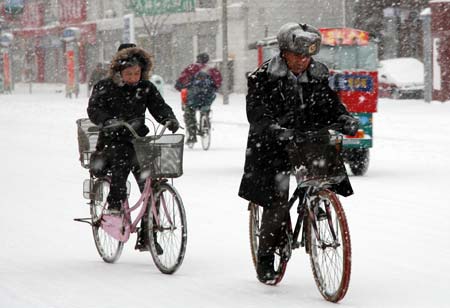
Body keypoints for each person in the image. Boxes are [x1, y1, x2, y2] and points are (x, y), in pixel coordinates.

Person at [238, 22, 359, 283]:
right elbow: (256, 112)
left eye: (308, 56)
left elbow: (330, 104)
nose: (303, 61)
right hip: (271, 145)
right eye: (298, 55)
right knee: (276, 202)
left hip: (307, 140)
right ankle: (266, 255)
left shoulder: (317, 75)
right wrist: (274, 128)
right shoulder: (262, 77)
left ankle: (318, 202)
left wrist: (344, 118)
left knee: (325, 177)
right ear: (284, 53)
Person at [87, 45, 180, 251]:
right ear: (118, 72)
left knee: (149, 184)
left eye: (137, 73)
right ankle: (113, 206)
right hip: (112, 141)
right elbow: (94, 109)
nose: (133, 77)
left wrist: (169, 119)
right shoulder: (105, 86)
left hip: (139, 140)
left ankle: (148, 236)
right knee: (121, 163)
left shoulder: (145, 88)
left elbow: (159, 107)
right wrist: (107, 121)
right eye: (128, 73)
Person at [174, 52, 222, 145]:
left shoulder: (192, 68)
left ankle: (192, 135)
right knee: (206, 108)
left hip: (194, 96)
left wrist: (179, 86)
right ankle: (205, 124)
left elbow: (182, 79)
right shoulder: (213, 69)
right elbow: (218, 82)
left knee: (189, 112)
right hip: (208, 95)